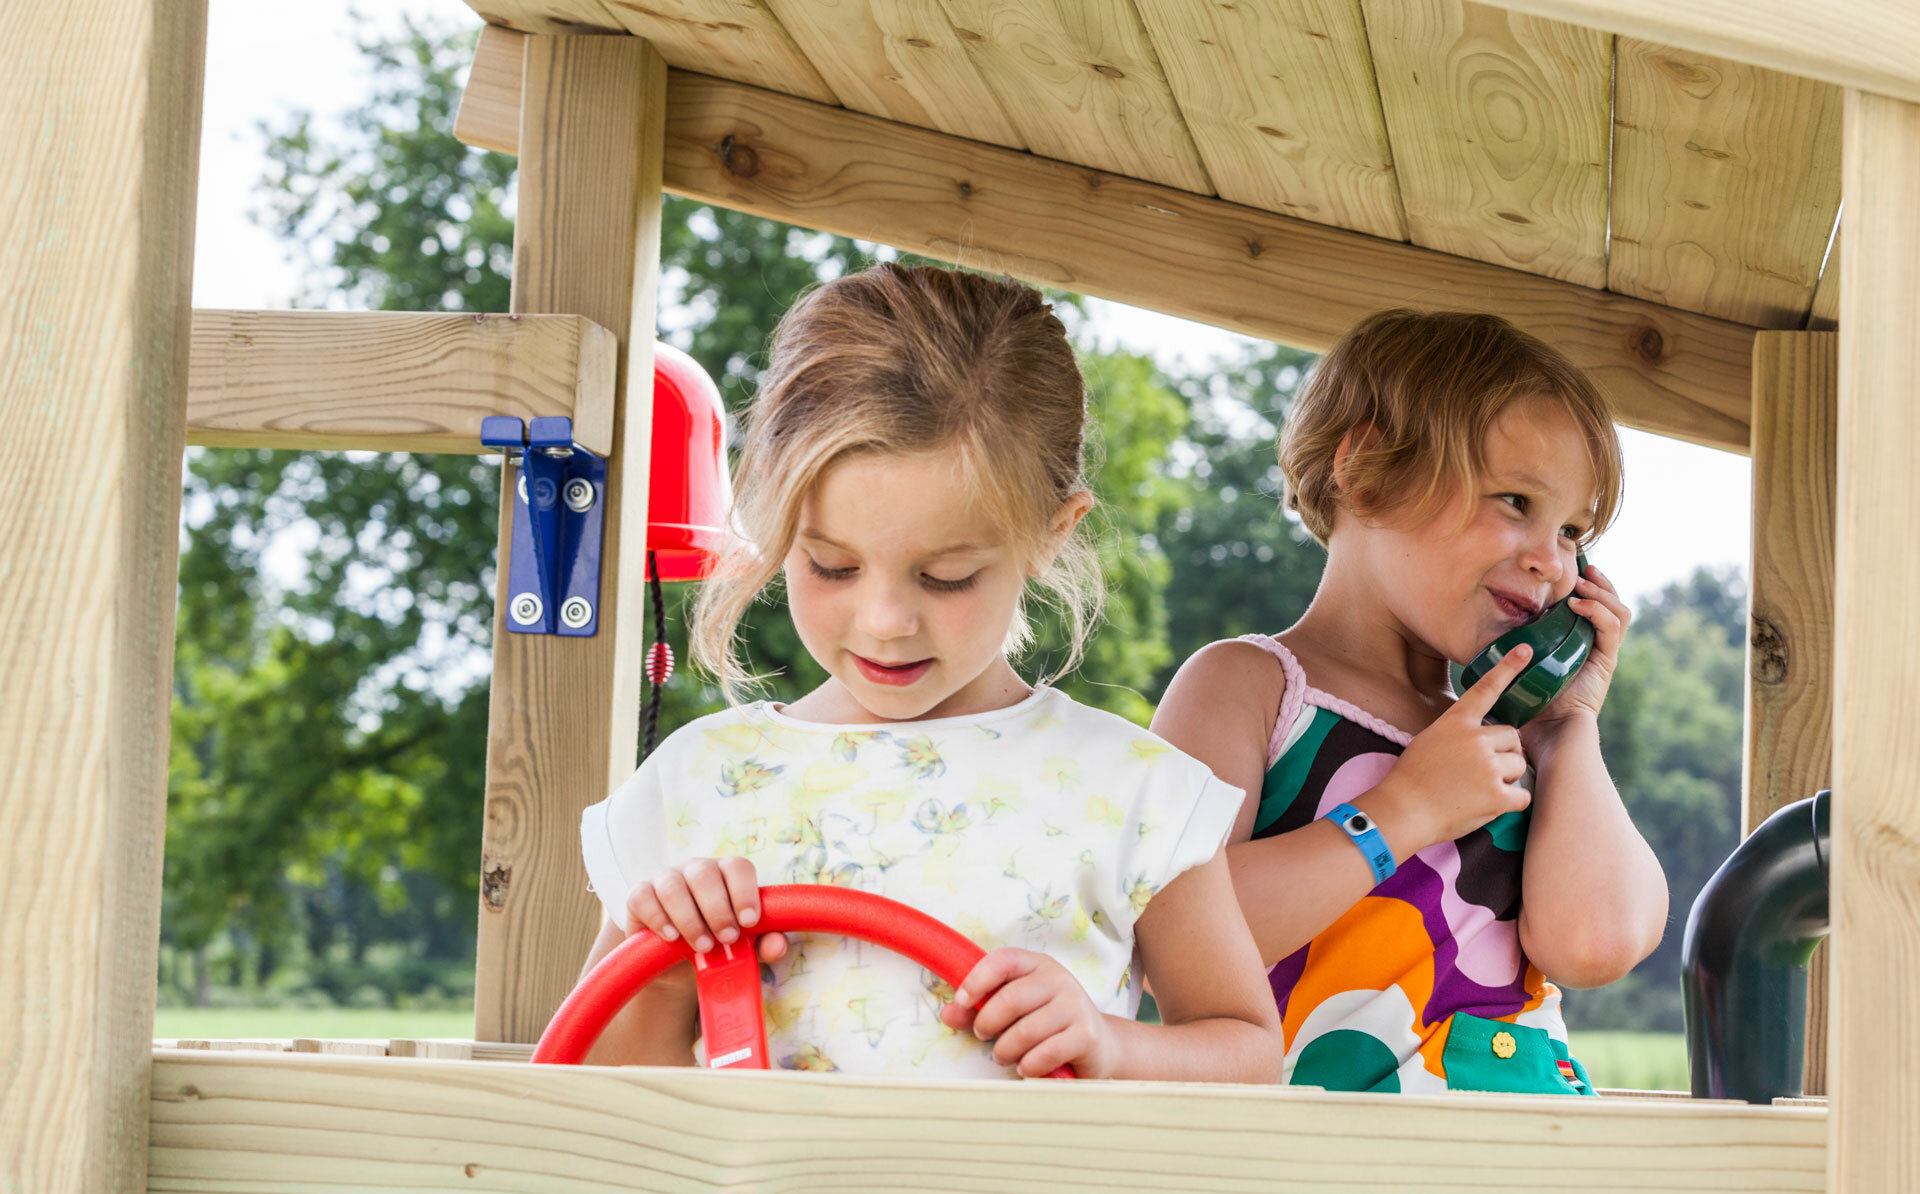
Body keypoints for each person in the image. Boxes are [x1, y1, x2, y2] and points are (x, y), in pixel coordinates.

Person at [574, 263, 1281, 1083]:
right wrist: (660, 980)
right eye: (831, 565)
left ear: (1054, 531)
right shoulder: (695, 785)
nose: (885, 622)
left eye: (947, 577)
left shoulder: (1134, 791)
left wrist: (1112, 1044)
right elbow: (590, 1091)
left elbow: (1248, 1051)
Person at [1152, 309, 1668, 1094]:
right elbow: (1174, 945)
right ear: (1368, 472)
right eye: (1515, 503)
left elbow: (1597, 943)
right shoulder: (1248, 688)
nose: (1550, 563)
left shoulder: (1519, 735)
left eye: (1572, 530)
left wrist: (1567, 732)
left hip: (1538, 1174)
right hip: (1336, 1187)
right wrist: (1401, 814)